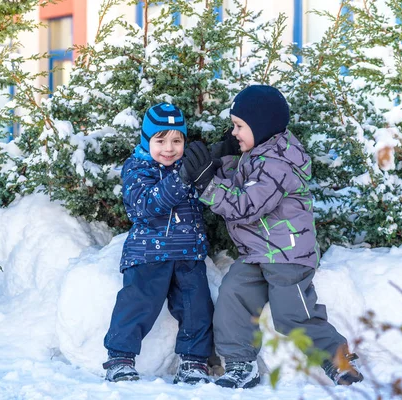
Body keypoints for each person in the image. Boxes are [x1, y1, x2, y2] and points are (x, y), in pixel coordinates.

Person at [191, 85, 364, 388]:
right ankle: (240, 364)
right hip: (258, 254)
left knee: (291, 314)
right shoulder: (257, 154)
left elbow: (245, 205)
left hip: (289, 256)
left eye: (239, 126)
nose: (233, 132)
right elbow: (239, 187)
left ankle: (336, 358)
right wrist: (224, 163)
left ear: (261, 126)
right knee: (233, 294)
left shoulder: (277, 164)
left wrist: (206, 181)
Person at [103, 103, 219, 384]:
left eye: (177, 140)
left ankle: (193, 361)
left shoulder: (187, 167)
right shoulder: (136, 167)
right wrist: (182, 178)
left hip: (188, 253)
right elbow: (145, 205)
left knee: (197, 307)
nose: (169, 148)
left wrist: (217, 156)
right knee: (137, 302)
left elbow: (211, 191)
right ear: (146, 139)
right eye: (160, 140)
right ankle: (119, 358)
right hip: (147, 253)